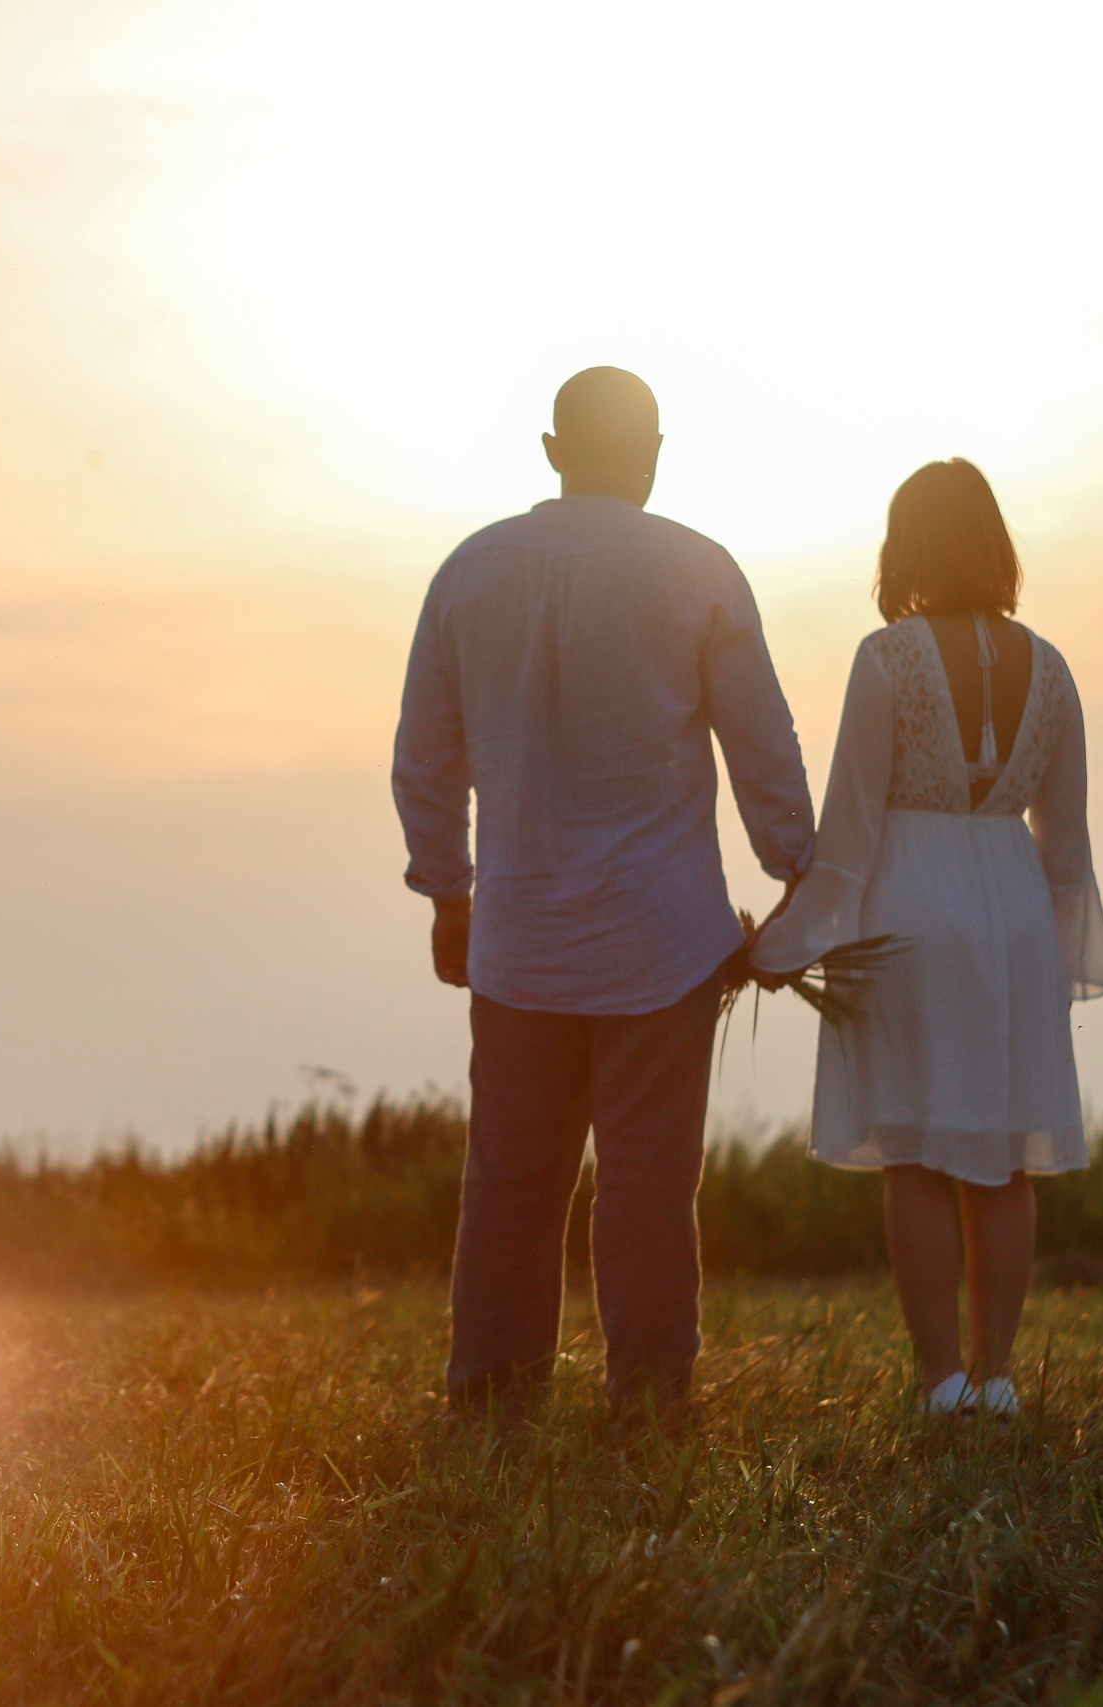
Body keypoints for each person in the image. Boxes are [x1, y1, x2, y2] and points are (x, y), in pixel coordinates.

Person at [391, 367, 814, 1419]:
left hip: (520, 939)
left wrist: (449, 893)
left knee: (510, 1185)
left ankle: (491, 1404)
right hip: (663, 942)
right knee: (646, 1191)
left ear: (548, 450)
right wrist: (800, 876)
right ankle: (650, 1404)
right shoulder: (698, 571)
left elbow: (424, 758)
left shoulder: (469, 572)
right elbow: (763, 746)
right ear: (655, 452)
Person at [748, 459, 1103, 1418]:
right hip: (1015, 909)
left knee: (913, 1149)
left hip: (910, 907)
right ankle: (997, 1380)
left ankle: (941, 1378)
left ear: (904, 545)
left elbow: (850, 831)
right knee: (1003, 1151)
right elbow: (1067, 844)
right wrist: (1056, 951)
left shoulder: (888, 659)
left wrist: (783, 942)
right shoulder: (1054, 668)